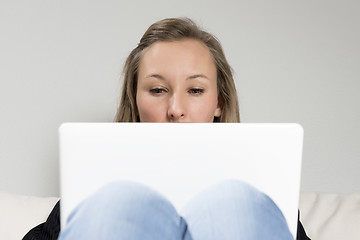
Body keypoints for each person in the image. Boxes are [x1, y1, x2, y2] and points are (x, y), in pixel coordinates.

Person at [23, 18, 310, 240]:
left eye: (195, 89)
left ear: (219, 102)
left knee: (237, 201)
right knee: (115, 200)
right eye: (158, 89)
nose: (175, 108)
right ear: (135, 101)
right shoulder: (98, 193)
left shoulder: (257, 196)